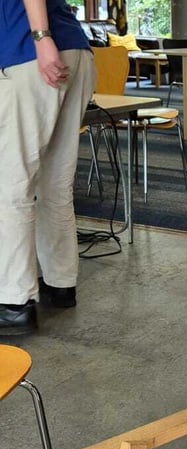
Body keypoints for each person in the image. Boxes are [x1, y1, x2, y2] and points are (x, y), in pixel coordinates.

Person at [0, 0, 95, 335]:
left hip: (29, 52)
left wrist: (41, 37)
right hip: (73, 49)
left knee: (12, 184)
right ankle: (60, 284)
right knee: (53, 182)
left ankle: (13, 302)